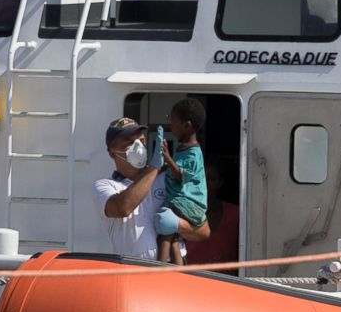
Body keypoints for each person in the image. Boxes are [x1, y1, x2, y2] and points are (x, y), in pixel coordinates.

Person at [93, 117, 209, 260]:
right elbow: (123, 208)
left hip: (173, 268)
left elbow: (203, 231)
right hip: (133, 269)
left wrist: (177, 225)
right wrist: (154, 167)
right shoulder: (105, 186)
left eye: (141, 141)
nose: (138, 146)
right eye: (129, 142)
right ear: (112, 153)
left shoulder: (167, 178)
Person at [154, 98, 208, 265]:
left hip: (188, 204)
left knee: (164, 231)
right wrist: (164, 167)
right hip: (183, 203)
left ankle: (159, 269)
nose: (171, 126)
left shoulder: (193, 153)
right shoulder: (185, 148)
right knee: (174, 240)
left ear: (187, 126)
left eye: (173, 121)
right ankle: (179, 273)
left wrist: (167, 157)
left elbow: (181, 176)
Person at [184, 160, 239, 274]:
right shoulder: (185, 213)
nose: (205, 184)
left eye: (211, 179)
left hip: (227, 281)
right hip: (191, 280)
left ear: (220, 182)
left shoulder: (236, 214)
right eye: (201, 178)